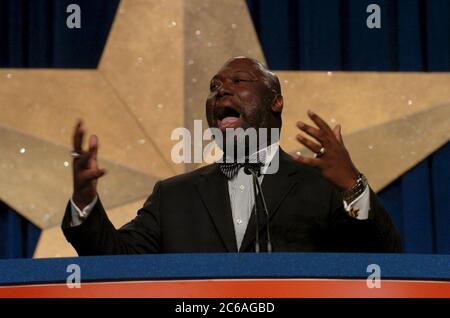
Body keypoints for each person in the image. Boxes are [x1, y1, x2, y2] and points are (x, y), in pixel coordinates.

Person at [62, 57, 401, 255]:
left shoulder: (322, 185)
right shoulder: (174, 196)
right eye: (213, 87)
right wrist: (84, 200)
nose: (221, 90)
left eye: (238, 81)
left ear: (275, 101)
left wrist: (354, 187)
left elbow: (384, 258)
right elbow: (115, 259)